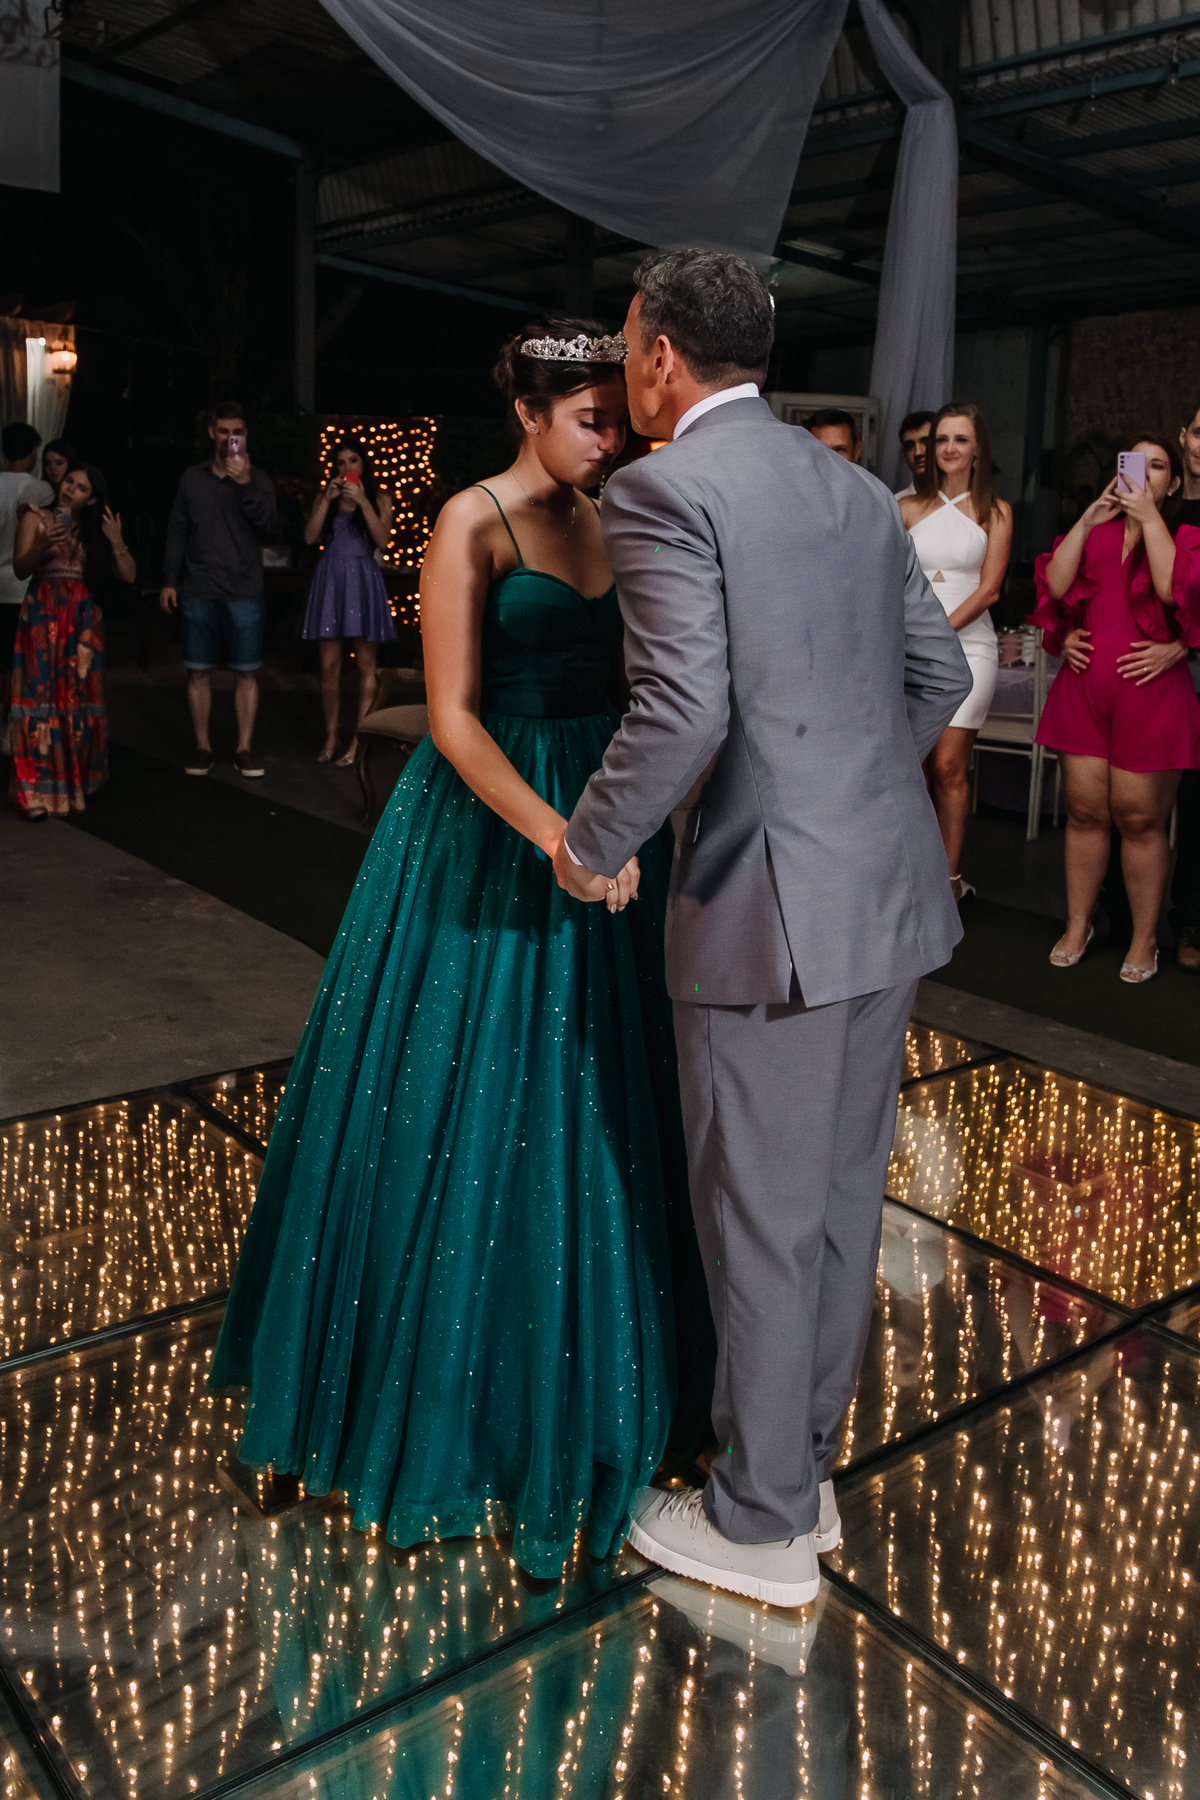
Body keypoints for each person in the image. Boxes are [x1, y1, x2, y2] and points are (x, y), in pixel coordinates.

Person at [208, 317, 714, 1580]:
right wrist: (561, 836)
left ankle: (625, 1381)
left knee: (611, 1095)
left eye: (620, 419)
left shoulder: (614, 514)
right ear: (529, 414)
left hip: (607, 809)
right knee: (465, 1098)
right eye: (591, 419)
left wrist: (630, 814)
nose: (612, 438)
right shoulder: (469, 520)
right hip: (498, 823)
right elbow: (448, 718)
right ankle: (430, 1407)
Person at [554, 249, 971, 1607]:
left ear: (662, 357)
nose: (629, 368)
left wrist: (588, 842)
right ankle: (801, 1475)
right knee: (838, 1205)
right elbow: (938, 673)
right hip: (886, 892)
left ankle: (758, 1522)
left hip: (769, 909)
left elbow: (682, 707)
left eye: (630, 344)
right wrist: (846, 793)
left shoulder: (662, 485)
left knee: (756, 1218)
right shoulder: (852, 487)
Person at [1034, 435, 1200, 983]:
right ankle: (1078, 925)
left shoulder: (1184, 536)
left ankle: (1145, 939)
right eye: (1137, 464)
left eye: (1158, 467)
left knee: (1141, 820)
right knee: (1084, 815)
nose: (1145, 474)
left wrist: (1148, 517)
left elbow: (1171, 591)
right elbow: (1056, 584)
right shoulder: (1096, 531)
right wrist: (1086, 520)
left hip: (1152, 697)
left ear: (1174, 483)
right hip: (1084, 691)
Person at [901, 402, 1012, 902]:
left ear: (977, 449)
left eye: (960, 439)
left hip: (969, 648)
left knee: (948, 765)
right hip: (908, 650)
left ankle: (948, 882)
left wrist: (935, 634)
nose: (948, 448)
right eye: (941, 439)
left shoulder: (996, 511)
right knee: (913, 766)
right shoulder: (905, 508)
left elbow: (989, 591)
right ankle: (909, 872)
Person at [9, 462, 135, 817]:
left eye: (80, 488)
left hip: (81, 622)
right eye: (69, 482)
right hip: (42, 614)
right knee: (38, 696)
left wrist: (117, 541)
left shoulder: (95, 532)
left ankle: (74, 781)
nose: (70, 490)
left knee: (76, 697)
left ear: (91, 499)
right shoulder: (35, 516)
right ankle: (34, 792)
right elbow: (20, 568)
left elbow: (129, 576)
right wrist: (41, 546)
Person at [160, 400, 276, 778]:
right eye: (223, 431)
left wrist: (244, 484)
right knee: (198, 671)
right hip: (199, 586)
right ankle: (202, 747)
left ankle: (244, 748)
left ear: (246, 436)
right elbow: (178, 529)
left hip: (244, 587)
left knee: (247, 671)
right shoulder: (192, 479)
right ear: (212, 433)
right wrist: (169, 579)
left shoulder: (258, 478)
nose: (230, 439)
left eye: (237, 432)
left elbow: (269, 526)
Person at [301, 437, 396, 764]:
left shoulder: (380, 498)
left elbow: (382, 540)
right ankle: (331, 736)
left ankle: (358, 740)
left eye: (352, 461)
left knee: (366, 666)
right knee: (328, 667)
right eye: (341, 463)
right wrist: (326, 501)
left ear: (363, 464)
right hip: (331, 581)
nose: (347, 468)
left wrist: (364, 501)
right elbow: (310, 538)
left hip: (363, 581)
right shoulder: (325, 497)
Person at [0, 423, 54, 750]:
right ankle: (12, 730)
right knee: (17, 662)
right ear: (34, 452)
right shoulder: (39, 489)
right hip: (20, 586)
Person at [1172, 401, 1200, 971]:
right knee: (1137, 806)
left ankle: (1191, 920)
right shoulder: (1159, 506)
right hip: (1153, 678)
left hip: (1192, 667)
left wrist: (1184, 645)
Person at [896, 409, 935, 498]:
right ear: (904, 455)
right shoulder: (895, 503)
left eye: (926, 442)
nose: (918, 453)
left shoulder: (963, 501)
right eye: (909, 446)